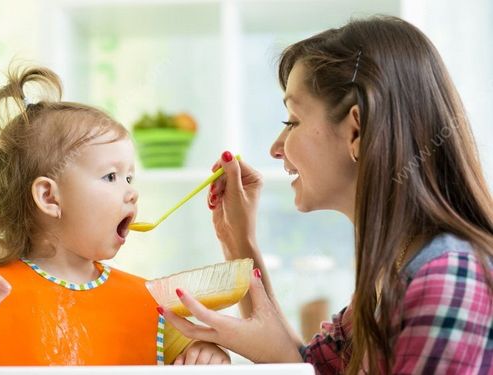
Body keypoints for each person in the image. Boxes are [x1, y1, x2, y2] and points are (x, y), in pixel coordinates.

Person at [160, 16, 493, 374]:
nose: (276, 147)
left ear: (356, 131)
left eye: (292, 121)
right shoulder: (389, 280)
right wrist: (238, 241)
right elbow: (312, 367)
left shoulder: (447, 278)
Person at [0, 65, 230, 366]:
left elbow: (198, 353)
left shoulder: (145, 301)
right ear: (48, 197)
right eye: (111, 177)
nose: (131, 191)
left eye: (130, 177)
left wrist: (210, 354)